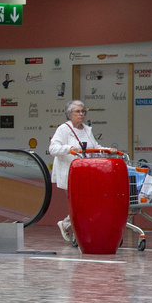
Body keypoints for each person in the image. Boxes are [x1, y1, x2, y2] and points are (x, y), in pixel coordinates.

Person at [49, 101, 111, 247]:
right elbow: (53, 148)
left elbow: (95, 147)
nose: (81, 114)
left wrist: (108, 150)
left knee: (86, 204)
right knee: (81, 204)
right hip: (71, 173)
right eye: (77, 111)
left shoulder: (87, 130)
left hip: (86, 173)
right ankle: (75, 229)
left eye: (83, 111)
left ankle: (68, 225)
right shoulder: (64, 129)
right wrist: (69, 148)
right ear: (70, 114)